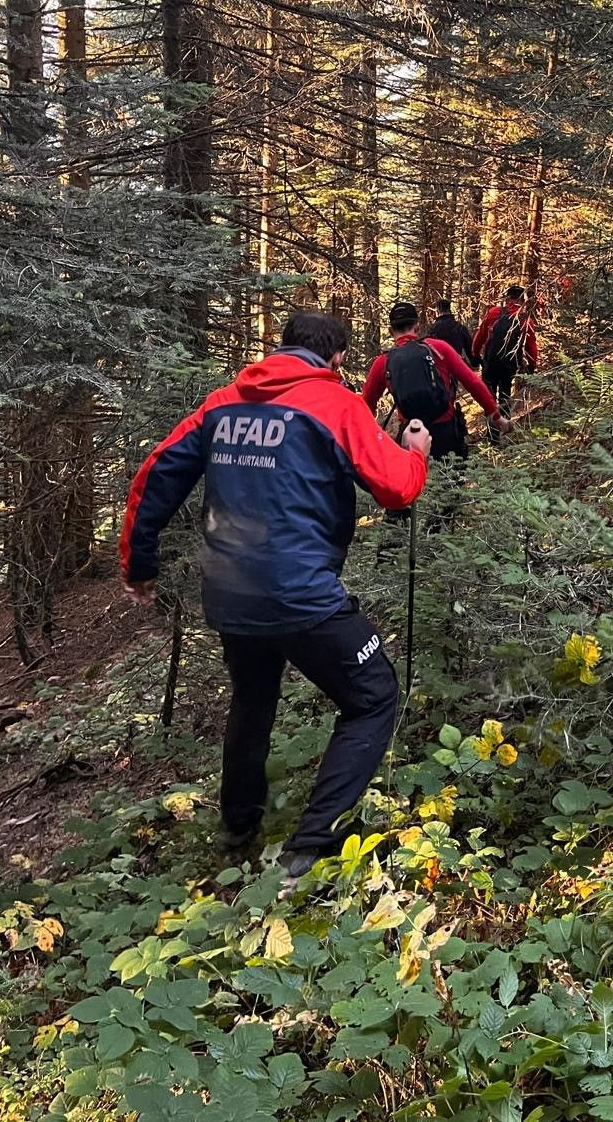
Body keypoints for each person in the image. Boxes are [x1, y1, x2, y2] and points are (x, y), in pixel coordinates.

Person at [120, 310, 431, 884]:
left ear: (282, 348)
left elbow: (158, 473)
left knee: (253, 699)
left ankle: (238, 832)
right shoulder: (336, 405)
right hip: (302, 593)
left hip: (231, 592)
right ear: (336, 358)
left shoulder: (222, 404)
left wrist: (139, 565)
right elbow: (396, 488)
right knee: (373, 697)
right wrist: (416, 449)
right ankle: (311, 847)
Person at [363, 301, 511, 468]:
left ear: (390, 331)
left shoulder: (383, 362)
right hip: (446, 432)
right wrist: (495, 415)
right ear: (417, 328)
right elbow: (472, 381)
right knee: (453, 485)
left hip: (411, 434)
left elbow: (366, 404)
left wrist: (372, 438)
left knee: (417, 489)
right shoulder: (437, 348)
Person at [472, 284, 538, 440]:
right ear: (523, 299)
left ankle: (491, 433)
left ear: (508, 298)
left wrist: (475, 354)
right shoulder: (524, 318)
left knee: (489, 398)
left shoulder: (494, 312)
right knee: (505, 395)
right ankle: (503, 431)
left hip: (490, 363)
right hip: (509, 365)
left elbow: (480, 336)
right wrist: (532, 365)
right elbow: (531, 345)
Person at [424, 297, 475, 363]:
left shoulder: (433, 329)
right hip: (456, 365)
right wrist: (475, 362)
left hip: (439, 367)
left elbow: (427, 350)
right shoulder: (460, 327)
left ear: (438, 310)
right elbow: (470, 350)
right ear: (449, 309)